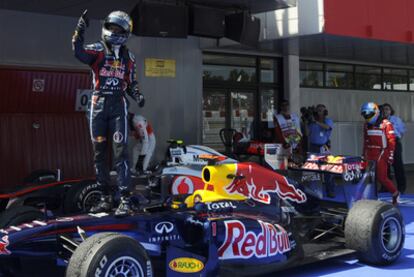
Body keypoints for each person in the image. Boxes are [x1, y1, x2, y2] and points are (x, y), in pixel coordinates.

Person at [72, 10, 145, 216]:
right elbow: (78, 53)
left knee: (121, 152)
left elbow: (131, 83)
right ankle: (104, 197)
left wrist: (137, 95)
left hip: (118, 106)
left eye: (118, 29)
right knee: (99, 154)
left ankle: (124, 199)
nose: (114, 32)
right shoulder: (97, 50)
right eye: (112, 28)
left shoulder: (129, 57)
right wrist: (80, 29)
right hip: (98, 105)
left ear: (126, 32)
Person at [361, 102, 399, 205]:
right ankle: (371, 197)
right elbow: (366, 141)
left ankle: (395, 193)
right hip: (369, 153)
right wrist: (363, 154)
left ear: (376, 112)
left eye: (368, 114)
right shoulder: (366, 125)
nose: (366, 116)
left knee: (382, 177)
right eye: (364, 114)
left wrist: (390, 156)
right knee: (368, 177)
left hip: (382, 153)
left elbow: (391, 141)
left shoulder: (386, 124)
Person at [382, 103, 407, 194]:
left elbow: (402, 131)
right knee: (385, 167)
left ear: (391, 111)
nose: (385, 111)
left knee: (398, 165)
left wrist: (396, 141)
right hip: (384, 144)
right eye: (384, 109)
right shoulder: (380, 121)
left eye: (387, 109)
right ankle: (385, 187)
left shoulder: (396, 119)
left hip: (394, 142)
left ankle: (401, 187)